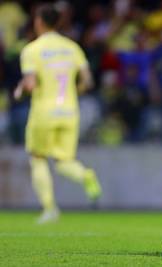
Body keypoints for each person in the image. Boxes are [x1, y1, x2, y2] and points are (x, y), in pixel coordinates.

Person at [13, 4, 102, 224]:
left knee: (38, 157)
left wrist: (20, 90)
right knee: (64, 161)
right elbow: (88, 80)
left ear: (39, 22)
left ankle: (50, 209)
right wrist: (76, 91)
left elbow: (31, 85)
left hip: (44, 112)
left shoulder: (32, 50)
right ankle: (85, 175)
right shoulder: (72, 47)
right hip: (70, 112)